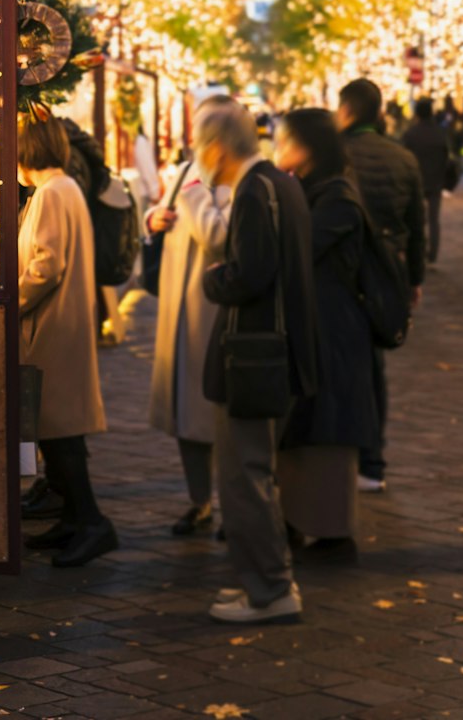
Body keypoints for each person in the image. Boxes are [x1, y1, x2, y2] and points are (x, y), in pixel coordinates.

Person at [197, 97, 319, 624]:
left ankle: (268, 590)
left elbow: (251, 274)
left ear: (217, 146)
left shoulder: (253, 191)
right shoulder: (282, 183)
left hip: (254, 356)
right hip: (280, 350)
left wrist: (212, 276)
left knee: (244, 475)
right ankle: (266, 581)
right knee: (256, 473)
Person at [273, 109, 377, 562]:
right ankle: (296, 521)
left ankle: (333, 533)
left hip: (331, 328)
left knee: (326, 427)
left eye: (284, 139)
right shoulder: (313, 188)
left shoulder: (335, 195)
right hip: (315, 322)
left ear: (308, 146)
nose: (276, 146)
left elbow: (300, 249)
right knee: (301, 425)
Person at [16, 114, 116, 568]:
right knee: (60, 432)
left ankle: (92, 522)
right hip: (64, 325)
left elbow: (46, 265)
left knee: (61, 432)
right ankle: (77, 520)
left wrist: (10, 300)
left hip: (52, 326)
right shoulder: (66, 188)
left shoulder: (53, 192)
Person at [338, 79, 424, 494]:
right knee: (374, 368)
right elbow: (417, 225)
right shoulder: (403, 158)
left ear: (346, 111)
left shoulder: (334, 156)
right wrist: (414, 280)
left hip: (343, 269)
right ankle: (372, 463)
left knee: (339, 363)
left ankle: (340, 458)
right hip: (388, 271)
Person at [146, 153, 231, 537]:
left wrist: (195, 198)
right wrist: (153, 220)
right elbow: (160, 213)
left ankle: (233, 508)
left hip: (212, 311)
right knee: (186, 416)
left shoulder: (239, 178)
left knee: (220, 416)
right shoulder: (184, 171)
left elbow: (220, 237)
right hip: (176, 308)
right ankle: (200, 501)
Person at [402, 98, 451, 265]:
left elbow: (404, 158)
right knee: (434, 220)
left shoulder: (411, 134)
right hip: (436, 181)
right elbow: (446, 157)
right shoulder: (440, 133)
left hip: (416, 181)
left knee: (417, 219)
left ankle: (420, 251)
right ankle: (433, 254)